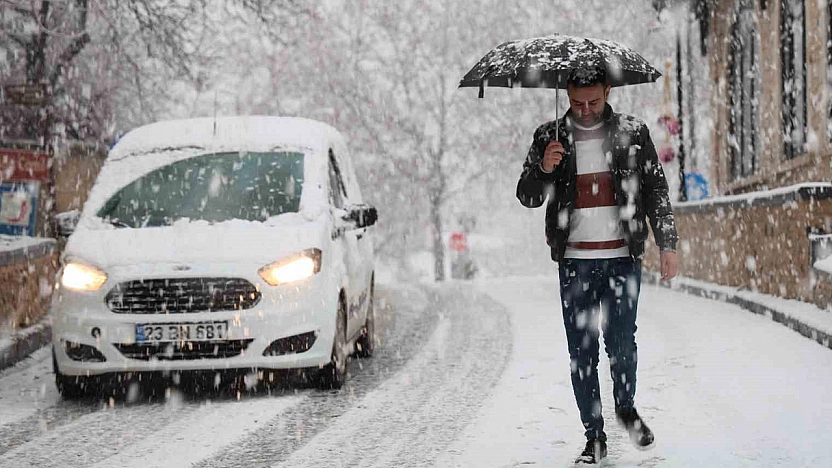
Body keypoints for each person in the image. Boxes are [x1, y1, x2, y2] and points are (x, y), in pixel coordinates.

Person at [516, 67, 679, 465]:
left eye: (593, 101)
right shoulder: (548, 137)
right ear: (566, 96)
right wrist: (545, 169)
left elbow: (656, 187)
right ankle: (595, 436)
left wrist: (667, 242)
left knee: (622, 345)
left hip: (623, 258)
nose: (585, 110)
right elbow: (527, 195)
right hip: (575, 263)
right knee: (582, 351)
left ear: (608, 91)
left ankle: (626, 408)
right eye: (576, 103)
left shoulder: (633, 132)